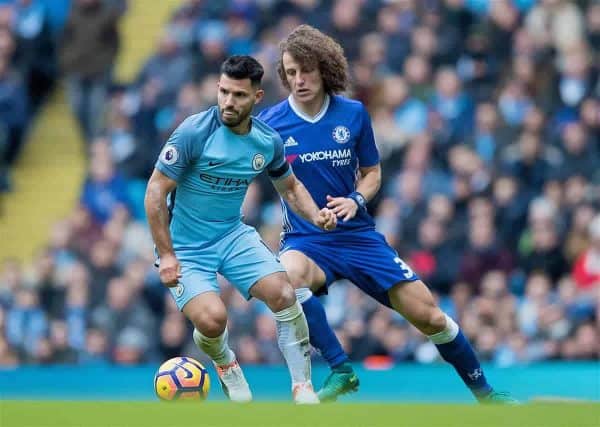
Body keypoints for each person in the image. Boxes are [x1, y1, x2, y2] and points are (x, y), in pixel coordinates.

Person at [258, 25, 517, 404]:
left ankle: (486, 394)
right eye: (291, 72)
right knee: (286, 278)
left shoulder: (353, 114)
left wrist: (355, 201)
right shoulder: (272, 124)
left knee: (431, 317)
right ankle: (340, 369)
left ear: (325, 68)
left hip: (358, 236)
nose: (299, 80)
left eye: (307, 70)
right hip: (307, 238)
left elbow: (372, 173)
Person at [144, 55, 337, 404]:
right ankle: (227, 366)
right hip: (187, 247)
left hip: (232, 235)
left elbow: (290, 188)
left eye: (238, 95)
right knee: (214, 320)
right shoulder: (194, 132)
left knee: (283, 292)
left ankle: (302, 387)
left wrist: (316, 214)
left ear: (257, 98)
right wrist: (168, 254)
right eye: (223, 92)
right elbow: (156, 191)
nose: (228, 102)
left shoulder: (267, 141)